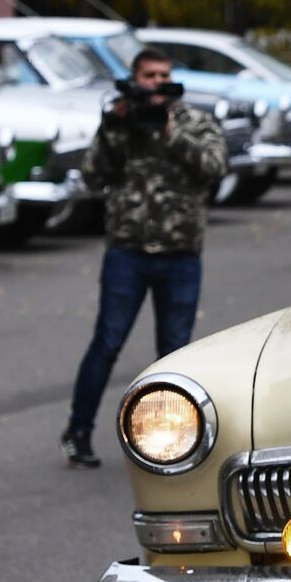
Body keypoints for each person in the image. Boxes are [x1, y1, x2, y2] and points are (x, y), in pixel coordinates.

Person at [60, 49, 227, 468]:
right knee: (108, 342)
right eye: (149, 75)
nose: (157, 81)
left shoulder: (192, 120)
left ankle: (168, 441)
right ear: (135, 78)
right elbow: (92, 176)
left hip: (180, 254)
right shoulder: (122, 120)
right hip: (128, 251)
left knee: (174, 355)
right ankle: (78, 431)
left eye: (164, 74)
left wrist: (170, 132)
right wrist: (113, 127)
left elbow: (215, 166)